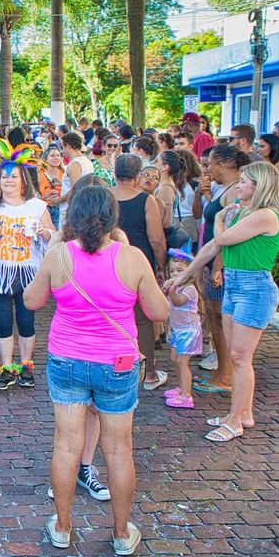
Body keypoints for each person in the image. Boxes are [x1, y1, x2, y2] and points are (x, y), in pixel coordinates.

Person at [23, 185, 169, 556]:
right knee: (118, 450)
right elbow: (159, 311)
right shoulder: (132, 258)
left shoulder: (59, 256)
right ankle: (121, 532)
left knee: (66, 445)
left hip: (67, 360)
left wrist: (56, 241)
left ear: (72, 218)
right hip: (116, 364)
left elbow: (31, 300)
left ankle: (62, 526)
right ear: (112, 217)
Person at [164, 162, 279, 443]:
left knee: (241, 357)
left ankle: (234, 421)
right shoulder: (243, 212)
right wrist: (184, 277)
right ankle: (244, 413)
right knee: (236, 355)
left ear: (259, 185)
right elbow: (212, 248)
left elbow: (222, 237)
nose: (239, 186)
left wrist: (219, 218)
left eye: (244, 182)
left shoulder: (267, 215)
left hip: (254, 289)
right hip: (236, 284)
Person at [0, 161, 55, 390]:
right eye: (4, 177)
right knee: (3, 323)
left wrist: (43, 231)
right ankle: (7, 369)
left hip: (28, 272)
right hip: (0, 272)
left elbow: (54, 236)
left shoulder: (36, 206)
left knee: (26, 322)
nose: (9, 181)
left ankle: (25, 366)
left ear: (23, 180)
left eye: (14, 176)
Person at [111, 154, 167, 389]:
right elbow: (156, 239)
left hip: (110, 262)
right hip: (140, 263)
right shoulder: (145, 200)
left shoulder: (106, 197)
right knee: (143, 321)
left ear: (115, 174)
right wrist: (161, 267)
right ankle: (148, 373)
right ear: (137, 176)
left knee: (114, 318)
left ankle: (117, 367)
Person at [194, 144, 248, 386]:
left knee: (220, 316)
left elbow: (229, 231)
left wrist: (216, 265)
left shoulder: (235, 190)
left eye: (211, 165)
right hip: (214, 261)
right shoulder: (222, 188)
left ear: (223, 165)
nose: (207, 170)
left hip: (223, 264)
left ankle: (226, 375)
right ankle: (223, 371)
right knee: (215, 316)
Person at [161, 251, 202, 410]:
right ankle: (180, 387)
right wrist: (170, 329)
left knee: (182, 362)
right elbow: (171, 311)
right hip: (178, 329)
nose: (175, 274)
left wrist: (170, 290)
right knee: (174, 358)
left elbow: (177, 303)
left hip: (189, 331)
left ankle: (187, 396)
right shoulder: (176, 288)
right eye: (172, 271)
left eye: (179, 271)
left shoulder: (189, 289)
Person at [58, 132, 93, 228]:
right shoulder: (87, 160)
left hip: (71, 209)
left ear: (68, 146)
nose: (63, 151)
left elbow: (75, 189)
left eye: (63, 147)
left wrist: (58, 200)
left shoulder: (75, 164)